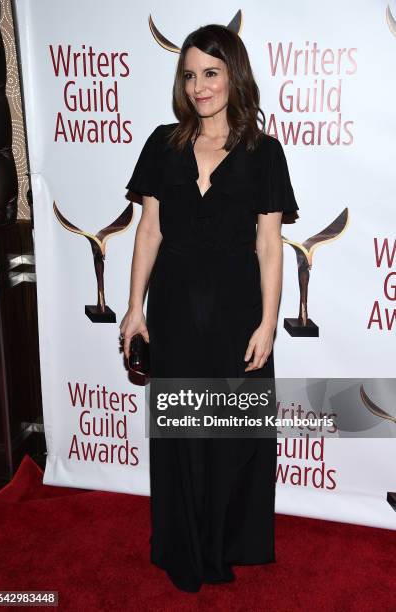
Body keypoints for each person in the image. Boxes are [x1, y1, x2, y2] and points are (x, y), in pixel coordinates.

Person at [120, 24, 299, 593]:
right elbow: (148, 232)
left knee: (229, 434)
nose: (200, 86)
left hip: (235, 311)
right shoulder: (162, 144)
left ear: (234, 75)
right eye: (191, 74)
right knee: (179, 433)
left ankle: (225, 544)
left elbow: (270, 245)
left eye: (212, 73)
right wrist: (133, 309)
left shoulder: (263, 152)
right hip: (172, 307)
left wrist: (269, 322)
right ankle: (182, 547)